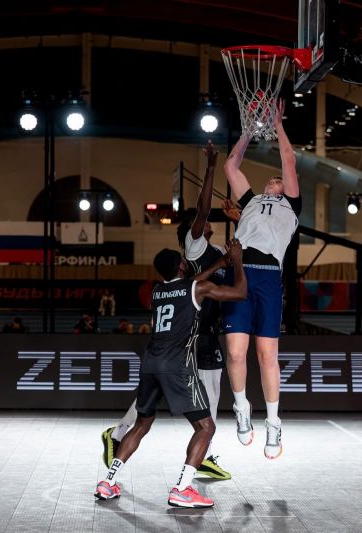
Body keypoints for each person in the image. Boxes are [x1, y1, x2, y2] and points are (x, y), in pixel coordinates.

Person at [101, 141, 232, 480]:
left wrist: (239, 221)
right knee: (174, 394)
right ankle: (121, 433)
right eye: (201, 222)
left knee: (207, 393)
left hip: (206, 334)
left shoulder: (218, 252)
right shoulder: (194, 246)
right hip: (189, 337)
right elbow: (203, 209)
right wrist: (212, 167)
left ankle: (202, 453)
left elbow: (235, 255)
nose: (206, 222)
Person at [94, 241, 246, 508]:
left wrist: (220, 263)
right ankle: (182, 489)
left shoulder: (157, 291)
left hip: (150, 363)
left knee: (141, 425)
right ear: (182, 265)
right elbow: (240, 293)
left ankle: (108, 481)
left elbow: (189, 284)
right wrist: (237, 260)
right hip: (178, 366)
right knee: (206, 427)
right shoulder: (196, 288)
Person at [222, 99, 301, 459]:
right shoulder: (251, 201)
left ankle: (273, 422)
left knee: (267, 355)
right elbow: (230, 165)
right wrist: (248, 132)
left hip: (269, 277)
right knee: (235, 352)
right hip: (239, 273)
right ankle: (241, 408)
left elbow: (288, 159)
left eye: (279, 180)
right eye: (271, 179)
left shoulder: (291, 205)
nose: (275, 180)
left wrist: (277, 124)